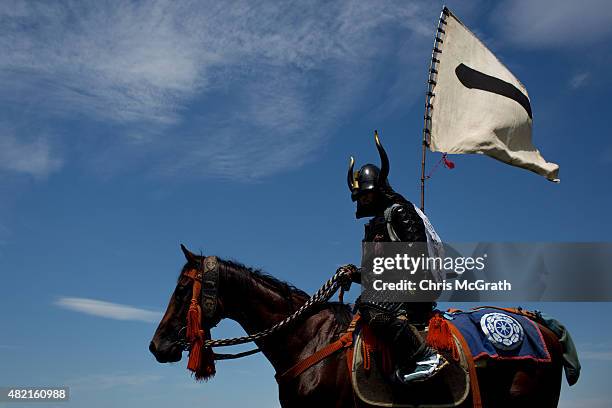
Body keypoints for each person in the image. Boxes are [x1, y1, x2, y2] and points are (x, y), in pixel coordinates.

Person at [343, 131, 447, 383]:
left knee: (371, 309)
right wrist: (353, 274)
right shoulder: (373, 227)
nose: (364, 199)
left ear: (379, 189)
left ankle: (424, 357)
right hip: (391, 288)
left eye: (367, 193)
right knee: (356, 307)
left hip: (415, 286)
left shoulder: (400, 212)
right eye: (361, 196)